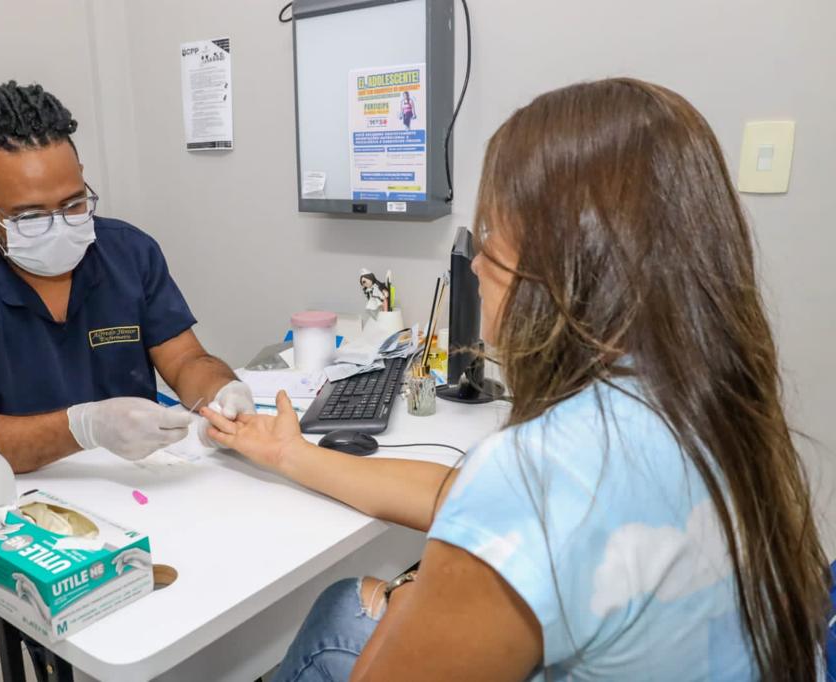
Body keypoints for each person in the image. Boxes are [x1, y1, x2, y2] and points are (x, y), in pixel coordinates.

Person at [202, 78, 830, 680]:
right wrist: (288, 452)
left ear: (566, 265)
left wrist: (415, 589)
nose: (476, 261)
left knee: (341, 611)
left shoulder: (542, 470)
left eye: (494, 236)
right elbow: (457, 497)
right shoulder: (709, 404)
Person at [0, 81, 254, 474]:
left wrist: (223, 390)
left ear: (81, 176)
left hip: (136, 481)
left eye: (73, 203)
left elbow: (185, 359)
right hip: (10, 498)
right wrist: (85, 428)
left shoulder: (128, 252)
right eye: (29, 215)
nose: (59, 227)